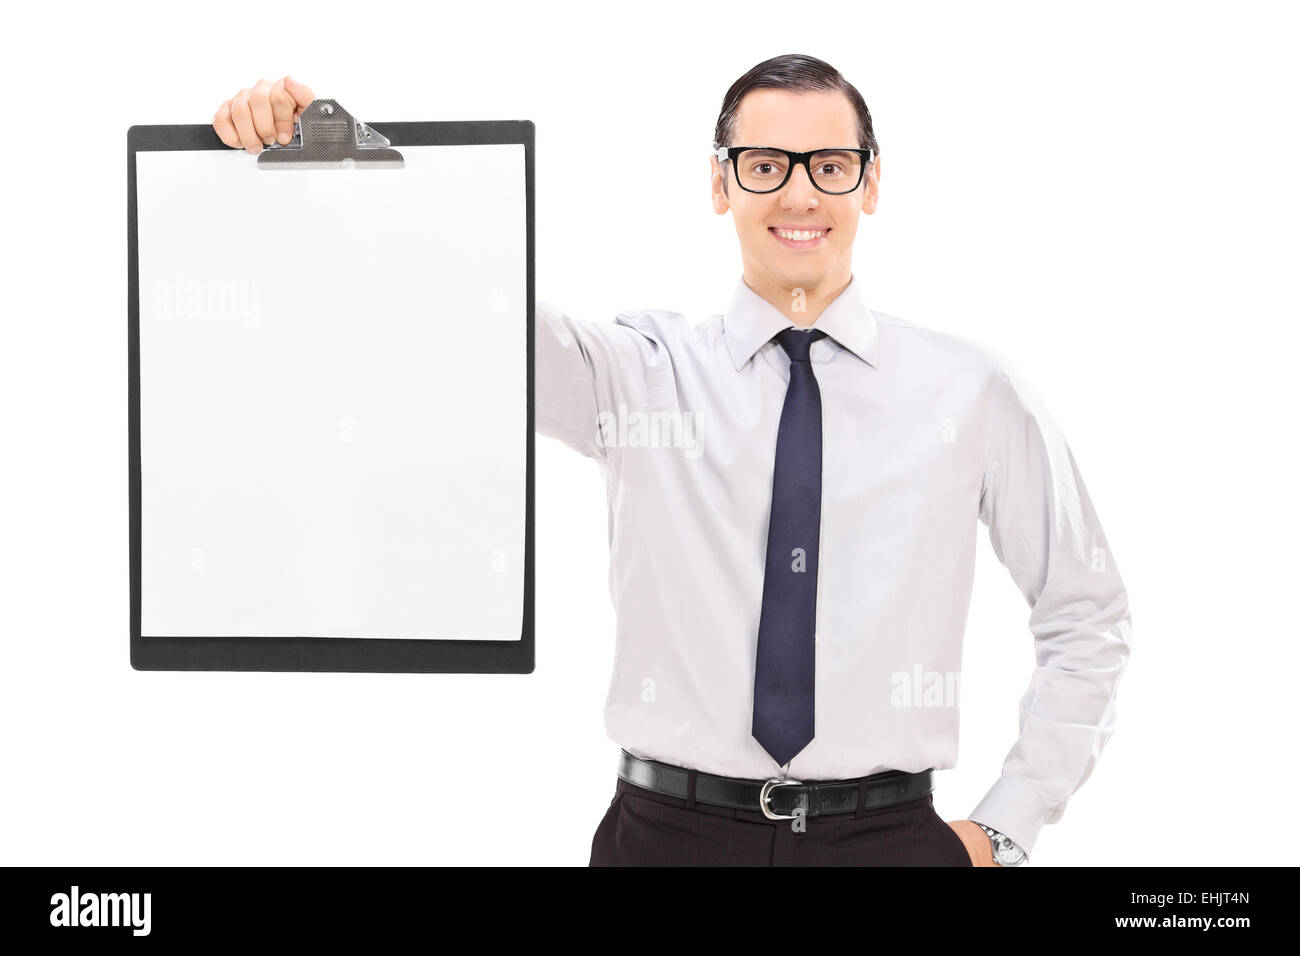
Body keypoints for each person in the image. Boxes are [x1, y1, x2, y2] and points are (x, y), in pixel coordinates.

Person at [212, 53, 1132, 867]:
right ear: (721, 184)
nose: (800, 195)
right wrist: (336, 155)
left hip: (887, 841)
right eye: (765, 165)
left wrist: (1007, 827)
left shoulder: (968, 391)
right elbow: (474, 307)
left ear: (872, 184)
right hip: (668, 840)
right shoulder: (636, 376)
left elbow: (1087, 613)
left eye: (831, 166)